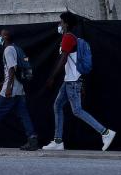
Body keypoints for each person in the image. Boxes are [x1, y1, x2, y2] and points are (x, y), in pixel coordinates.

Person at [42, 11, 116, 151]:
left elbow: (63, 59)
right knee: (57, 106)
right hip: (70, 80)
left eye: (61, 22)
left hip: (72, 81)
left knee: (77, 110)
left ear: (66, 24)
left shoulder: (68, 38)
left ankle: (106, 132)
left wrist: (52, 77)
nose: (60, 24)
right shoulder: (71, 38)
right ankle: (58, 141)